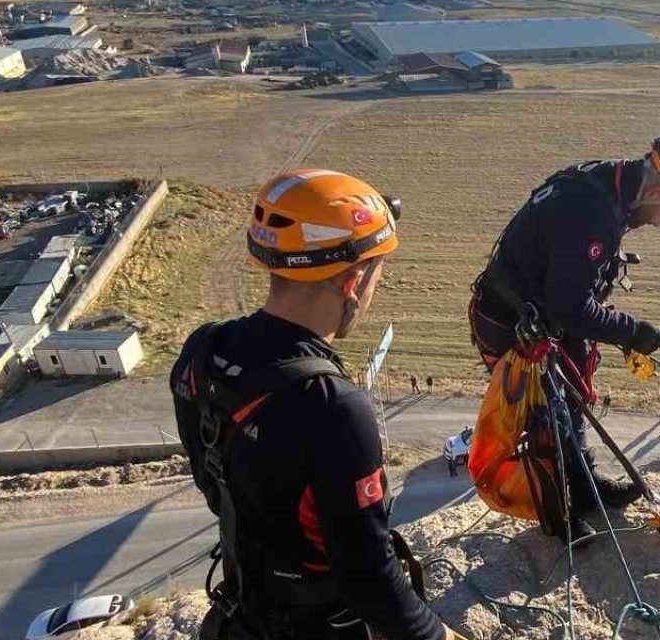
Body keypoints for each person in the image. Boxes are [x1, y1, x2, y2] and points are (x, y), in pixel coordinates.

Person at [171, 169, 467, 640]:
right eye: (377, 276)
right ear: (352, 282)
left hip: (243, 614)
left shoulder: (203, 352)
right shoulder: (335, 408)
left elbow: (213, 486)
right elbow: (370, 579)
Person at [468, 135, 660, 539]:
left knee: (570, 403)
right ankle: (559, 519)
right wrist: (632, 332)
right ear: (654, 191)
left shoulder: (607, 184)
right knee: (543, 418)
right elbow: (572, 306)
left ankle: (584, 490)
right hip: (513, 323)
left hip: (538, 310)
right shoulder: (593, 210)